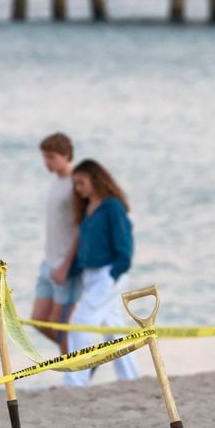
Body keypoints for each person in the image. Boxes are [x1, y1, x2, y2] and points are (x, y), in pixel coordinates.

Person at [63, 159, 140, 387]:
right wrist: (70, 271)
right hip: (91, 275)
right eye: (75, 184)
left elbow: (124, 245)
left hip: (109, 274)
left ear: (95, 179)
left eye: (81, 182)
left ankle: (76, 380)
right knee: (113, 330)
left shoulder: (112, 207)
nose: (78, 188)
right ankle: (131, 378)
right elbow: (88, 247)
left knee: (80, 321)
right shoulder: (88, 209)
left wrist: (114, 274)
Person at [32, 133, 80, 354]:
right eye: (44, 157)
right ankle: (83, 358)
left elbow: (82, 228)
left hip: (65, 264)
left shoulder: (75, 184)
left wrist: (66, 265)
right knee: (39, 320)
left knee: (60, 324)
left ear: (65, 155)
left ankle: (75, 373)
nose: (46, 162)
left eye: (51, 157)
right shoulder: (56, 182)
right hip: (48, 261)